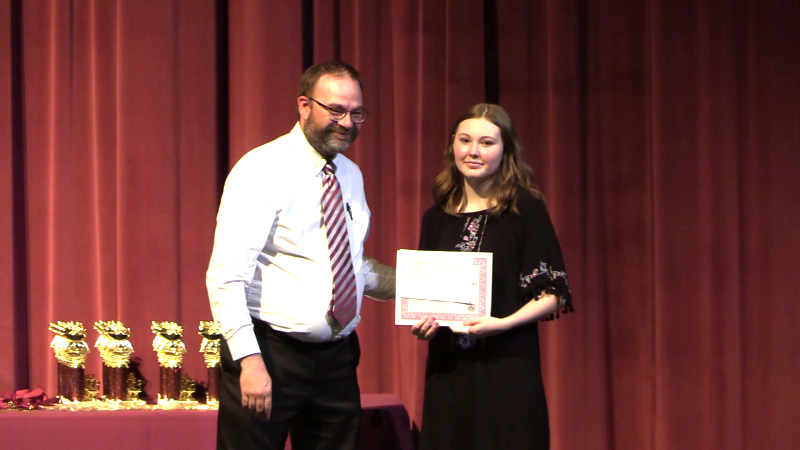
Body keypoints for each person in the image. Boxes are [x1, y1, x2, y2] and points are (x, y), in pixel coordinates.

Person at [206, 60, 394, 450]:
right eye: (336, 110)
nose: (347, 123)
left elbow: (350, 266)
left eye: (357, 113)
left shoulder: (350, 175)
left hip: (337, 360)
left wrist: (424, 286)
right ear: (304, 106)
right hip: (270, 354)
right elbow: (226, 276)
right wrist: (249, 360)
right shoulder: (262, 169)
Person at [410, 103, 574, 450]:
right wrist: (424, 323)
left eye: (486, 143)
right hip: (448, 371)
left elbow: (554, 292)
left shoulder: (524, 209)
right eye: (465, 140)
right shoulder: (435, 218)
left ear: (505, 151)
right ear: (452, 145)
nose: (473, 151)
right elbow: (427, 296)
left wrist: (503, 324)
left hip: (507, 370)